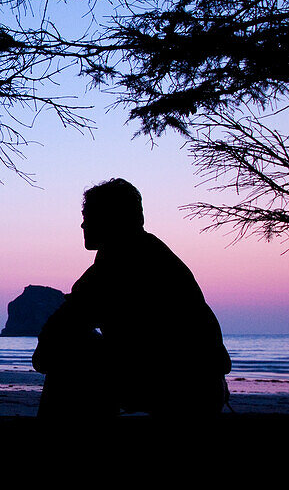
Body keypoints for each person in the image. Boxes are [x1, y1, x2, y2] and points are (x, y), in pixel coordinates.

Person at [33, 178, 231, 417]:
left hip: (181, 388)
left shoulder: (118, 264)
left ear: (111, 218)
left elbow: (54, 338)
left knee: (69, 359)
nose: (82, 225)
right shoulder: (153, 254)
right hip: (201, 388)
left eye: (89, 216)